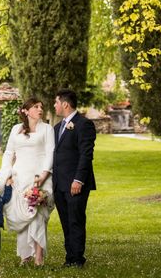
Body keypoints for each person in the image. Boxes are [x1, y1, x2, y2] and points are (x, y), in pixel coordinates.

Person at [0, 98, 55, 266]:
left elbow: (50, 152)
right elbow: (8, 153)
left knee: (37, 215)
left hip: (39, 176)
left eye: (41, 106)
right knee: (23, 216)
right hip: (20, 176)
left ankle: (38, 257)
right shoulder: (16, 129)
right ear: (26, 111)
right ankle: (25, 256)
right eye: (36, 107)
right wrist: (7, 172)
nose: (40, 109)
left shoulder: (47, 129)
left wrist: (44, 175)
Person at [52, 88, 96, 267]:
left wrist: (78, 180)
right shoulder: (57, 128)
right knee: (65, 221)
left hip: (75, 184)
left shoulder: (84, 124)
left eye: (56, 102)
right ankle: (69, 257)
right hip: (59, 184)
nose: (54, 106)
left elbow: (86, 155)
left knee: (76, 220)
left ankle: (78, 258)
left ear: (65, 104)